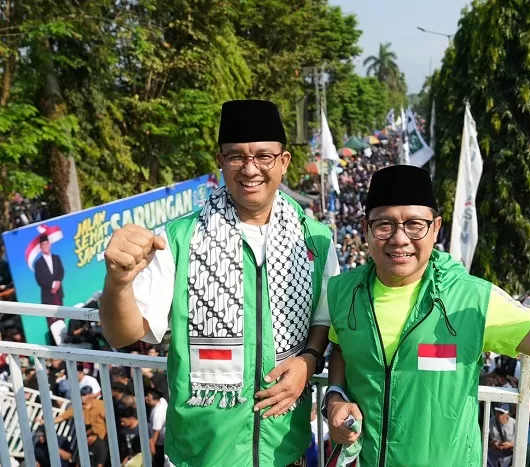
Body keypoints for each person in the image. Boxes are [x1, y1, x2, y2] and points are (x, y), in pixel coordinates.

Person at [323, 165, 530, 466]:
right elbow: (341, 348)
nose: (399, 239)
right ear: (366, 228)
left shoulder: (473, 300)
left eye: (415, 224)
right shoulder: (342, 292)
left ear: (436, 227)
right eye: (384, 225)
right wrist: (335, 396)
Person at [99, 100, 338, 467]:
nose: (250, 169)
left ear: (284, 161)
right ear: (221, 160)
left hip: (284, 450)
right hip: (202, 453)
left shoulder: (315, 240)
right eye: (236, 157)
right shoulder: (179, 239)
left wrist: (308, 360)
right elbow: (124, 334)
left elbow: (324, 317)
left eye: (263, 156)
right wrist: (117, 283)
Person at [34, 234, 65, 305]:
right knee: (51, 315)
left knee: (61, 314)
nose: (45, 246)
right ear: (41, 247)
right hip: (47, 296)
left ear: (50, 244)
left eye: (47, 243)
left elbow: (61, 271)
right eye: (43, 244)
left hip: (59, 294)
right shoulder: (38, 263)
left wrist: (58, 282)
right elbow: (40, 280)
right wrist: (53, 285)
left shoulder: (56, 258)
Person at [146, 387, 168, 467]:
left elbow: (156, 433)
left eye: (149, 400)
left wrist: (153, 447)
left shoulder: (158, 414)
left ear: (156, 399)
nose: (146, 400)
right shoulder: (162, 401)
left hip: (161, 441)